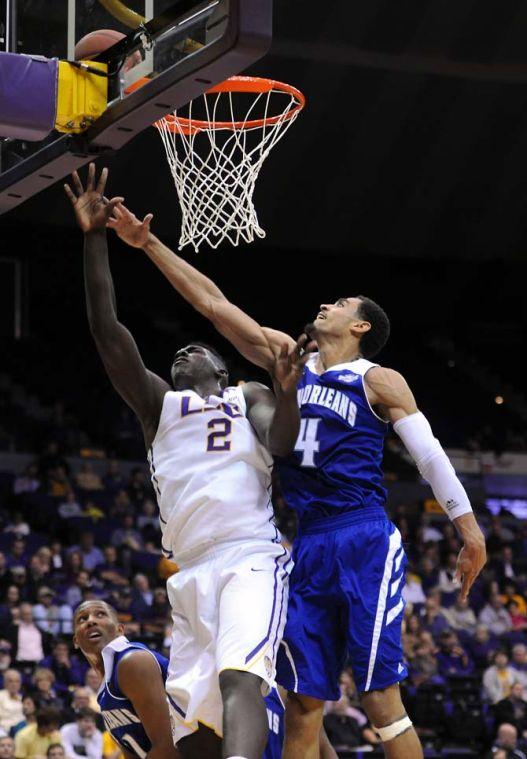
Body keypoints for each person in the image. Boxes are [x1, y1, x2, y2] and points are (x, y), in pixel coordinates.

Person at [105, 191, 488, 759]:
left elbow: (429, 455)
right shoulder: (286, 361)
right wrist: (148, 244)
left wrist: (469, 529)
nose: (326, 305)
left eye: (339, 303)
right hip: (304, 543)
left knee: (380, 696)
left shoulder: (378, 380)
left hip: (361, 533)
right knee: (302, 700)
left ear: (359, 325)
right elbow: (213, 303)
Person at [65, 164, 308, 759]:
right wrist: (94, 241)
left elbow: (281, 445)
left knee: (240, 679)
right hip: (190, 570)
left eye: (195, 348)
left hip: (250, 553)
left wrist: (287, 391)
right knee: (195, 721)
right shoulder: (158, 406)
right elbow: (107, 331)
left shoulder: (245, 394)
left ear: (222, 370)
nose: (182, 352)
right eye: (177, 352)